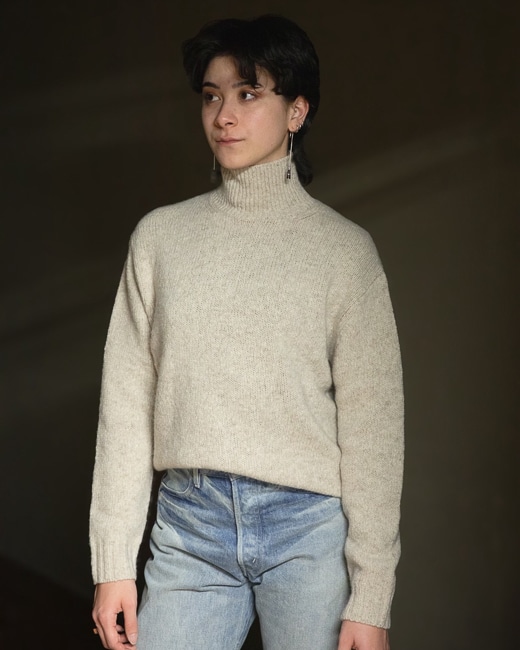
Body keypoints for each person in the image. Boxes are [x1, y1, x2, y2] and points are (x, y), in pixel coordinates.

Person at [90, 14, 404, 650]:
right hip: (189, 527)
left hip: (308, 533)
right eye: (212, 96)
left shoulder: (345, 253)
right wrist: (112, 564)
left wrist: (372, 597)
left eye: (249, 93)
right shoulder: (159, 240)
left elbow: (374, 431)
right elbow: (125, 411)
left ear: (297, 111)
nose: (224, 116)